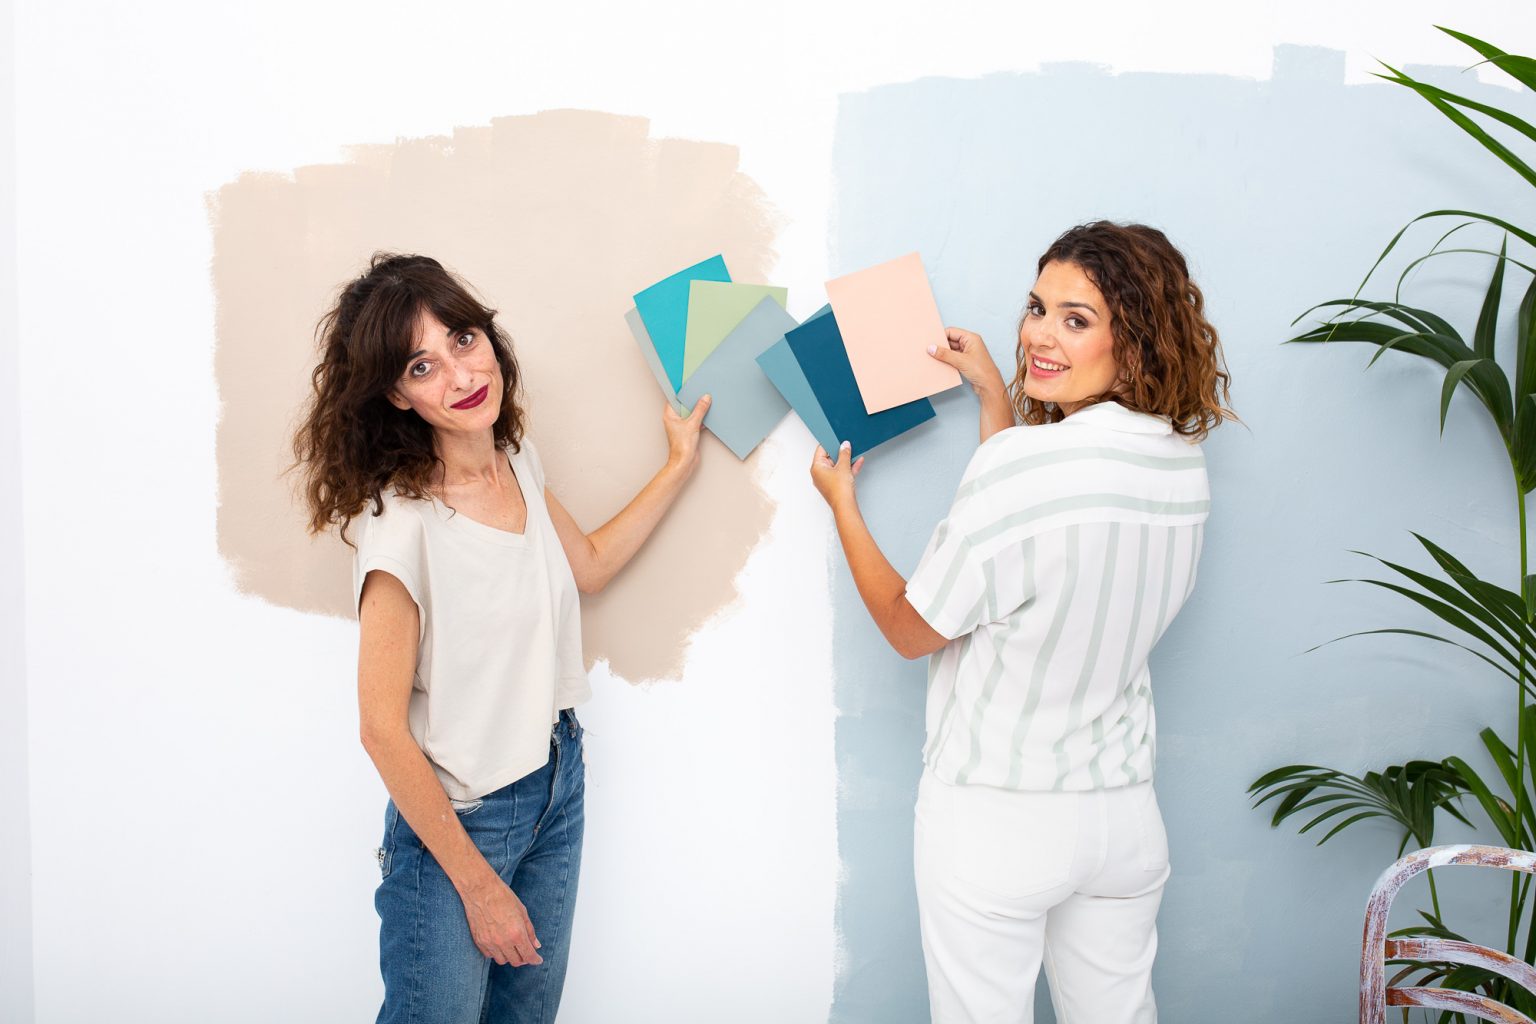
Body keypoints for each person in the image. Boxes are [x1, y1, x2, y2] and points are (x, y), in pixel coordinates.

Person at [810, 222, 1232, 1023]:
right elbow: (1036, 537)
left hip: (995, 817)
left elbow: (909, 628)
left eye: (1077, 320)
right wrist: (993, 400)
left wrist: (844, 509)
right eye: (1038, 308)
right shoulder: (1184, 463)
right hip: (1122, 820)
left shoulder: (1023, 470)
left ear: (1136, 344)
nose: (1039, 335)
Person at [292, 253, 709, 1024]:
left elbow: (588, 565)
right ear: (397, 394)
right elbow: (381, 730)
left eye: (462, 339)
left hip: (557, 781)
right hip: (462, 820)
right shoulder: (402, 528)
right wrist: (479, 887)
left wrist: (679, 465)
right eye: (422, 366)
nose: (460, 375)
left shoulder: (517, 461)